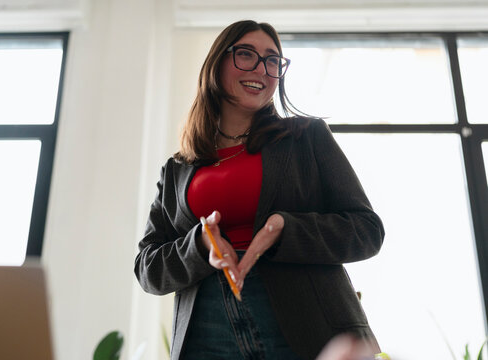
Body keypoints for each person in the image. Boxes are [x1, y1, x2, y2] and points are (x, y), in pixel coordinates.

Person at [134, 19, 384, 360]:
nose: (262, 69)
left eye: (272, 60)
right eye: (246, 54)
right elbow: (148, 269)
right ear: (216, 64)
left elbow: (367, 230)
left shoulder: (306, 137)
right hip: (207, 331)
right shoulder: (177, 168)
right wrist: (200, 242)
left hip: (307, 324)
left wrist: (286, 230)